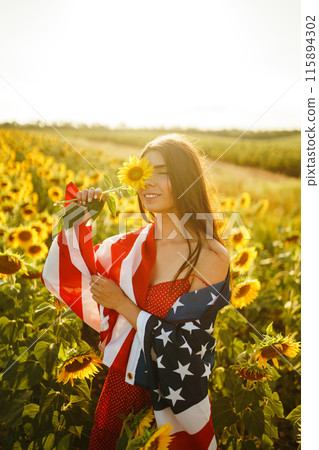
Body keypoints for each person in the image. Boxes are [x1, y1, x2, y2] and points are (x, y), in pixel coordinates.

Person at [41, 134, 232, 449]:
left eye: (162, 171)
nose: (147, 182)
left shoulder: (209, 256)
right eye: (143, 173)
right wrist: (80, 216)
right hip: (120, 389)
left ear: (186, 178)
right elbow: (72, 270)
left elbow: (187, 347)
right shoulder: (129, 244)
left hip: (170, 400)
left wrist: (122, 304)